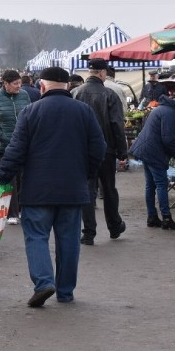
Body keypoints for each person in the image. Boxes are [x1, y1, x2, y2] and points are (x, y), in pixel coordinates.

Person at [0, 66, 106, 306]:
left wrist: (3, 176)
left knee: (36, 236)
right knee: (69, 241)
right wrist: (86, 174)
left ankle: (44, 282)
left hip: (37, 189)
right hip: (73, 189)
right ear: (68, 86)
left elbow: (15, 150)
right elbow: (99, 148)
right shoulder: (83, 111)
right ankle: (65, 291)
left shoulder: (30, 111)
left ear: (41, 86)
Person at [72, 57, 128, 244]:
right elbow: (116, 125)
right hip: (107, 150)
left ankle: (88, 233)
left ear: (89, 72)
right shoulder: (109, 94)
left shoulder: (76, 93)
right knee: (109, 189)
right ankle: (114, 226)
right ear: (103, 73)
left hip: (82, 150)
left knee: (88, 190)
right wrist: (122, 151)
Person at [129, 93, 175, 230]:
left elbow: (164, 136)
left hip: (146, 149)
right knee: (161, 184)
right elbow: (168, 140)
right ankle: (166, 218)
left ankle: (152, 217)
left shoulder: (163, 108)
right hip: (154, 152)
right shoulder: (171, 114)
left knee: (150, 185)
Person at [0, 69, 32, 224]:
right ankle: (12, 213)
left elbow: (29, 115)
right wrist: (5, 137)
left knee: (22, 177)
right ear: (5, 84)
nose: (19, 86)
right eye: (15, 83)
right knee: (10, 178)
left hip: (23, 145)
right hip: (3, 146)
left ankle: (19, 208)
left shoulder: (24, 96)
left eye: (20, 83)